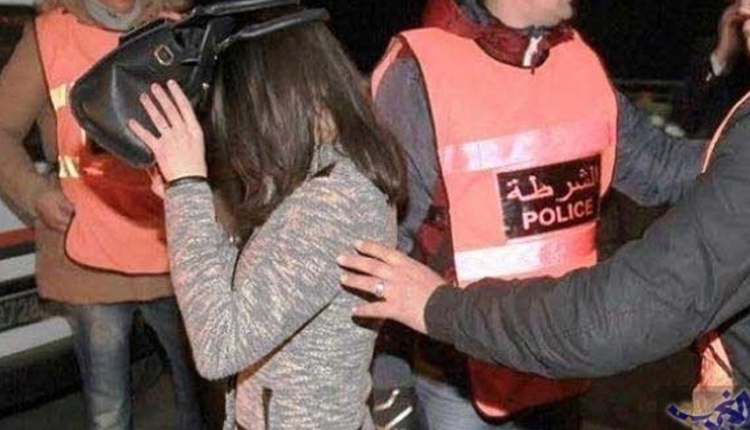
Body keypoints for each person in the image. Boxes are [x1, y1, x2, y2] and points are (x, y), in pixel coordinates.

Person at [338, 5, 750, 417]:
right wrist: (386, 377)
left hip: (562, 359)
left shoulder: (578, 62)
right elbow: (382, 240)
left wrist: (738, 150)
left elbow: (661, 166)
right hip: (459, 374)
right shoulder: (420, 73)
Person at [126, 8, 407, 430]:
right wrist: (191, 207)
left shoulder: (339, 200)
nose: (238, 133)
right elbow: (241, 293)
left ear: (274, 100)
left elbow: (219, 346)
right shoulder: (312, 173)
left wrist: (188, 187)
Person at [0, 1, 205, 429]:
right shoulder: (49, 36)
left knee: (201, 400)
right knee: (108, 410)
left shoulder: (176, 27)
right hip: (89, 258)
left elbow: (218, 122)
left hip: (174, 253)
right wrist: (35, 193)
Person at [674, 0, 750, 139]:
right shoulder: (708, 52)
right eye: (739, 3)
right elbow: (685, 118)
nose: (743, 10)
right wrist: (721, 56)